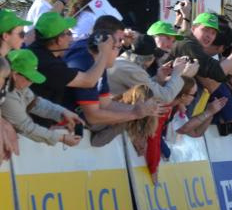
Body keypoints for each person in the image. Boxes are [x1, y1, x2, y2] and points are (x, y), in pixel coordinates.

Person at [63, 17, 163, 146]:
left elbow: (106, 104)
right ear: (103, 40)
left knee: (136, 109)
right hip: (69, 119)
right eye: (119, 42)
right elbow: (92, 117)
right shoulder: (86, 60)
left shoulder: (98, 56)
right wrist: (134, 114)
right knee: (137, 102)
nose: (122, 47)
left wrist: (138, 110)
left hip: (79, 115)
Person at [28, 12, 116, 122]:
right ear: (59, 39)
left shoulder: (35, 50)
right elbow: (89, 81)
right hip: (35, 124)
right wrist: (104, 53)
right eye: (68, 33)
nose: (71, 38)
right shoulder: (49, 65)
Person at [1, 49, 82, 146]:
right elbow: (26, 127)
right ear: (14, 75)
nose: (31, 82)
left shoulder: (18, 85)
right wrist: (61, 138)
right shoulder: (8, 96)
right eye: (29, 78)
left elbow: (35, 103)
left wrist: (63, 113)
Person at [107, 34, 192, 102]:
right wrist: (177, 74)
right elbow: (165, 97)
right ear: (148, 59)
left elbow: (143, 86)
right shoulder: (133, 71)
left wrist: (158, 78)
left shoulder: (123, 62)